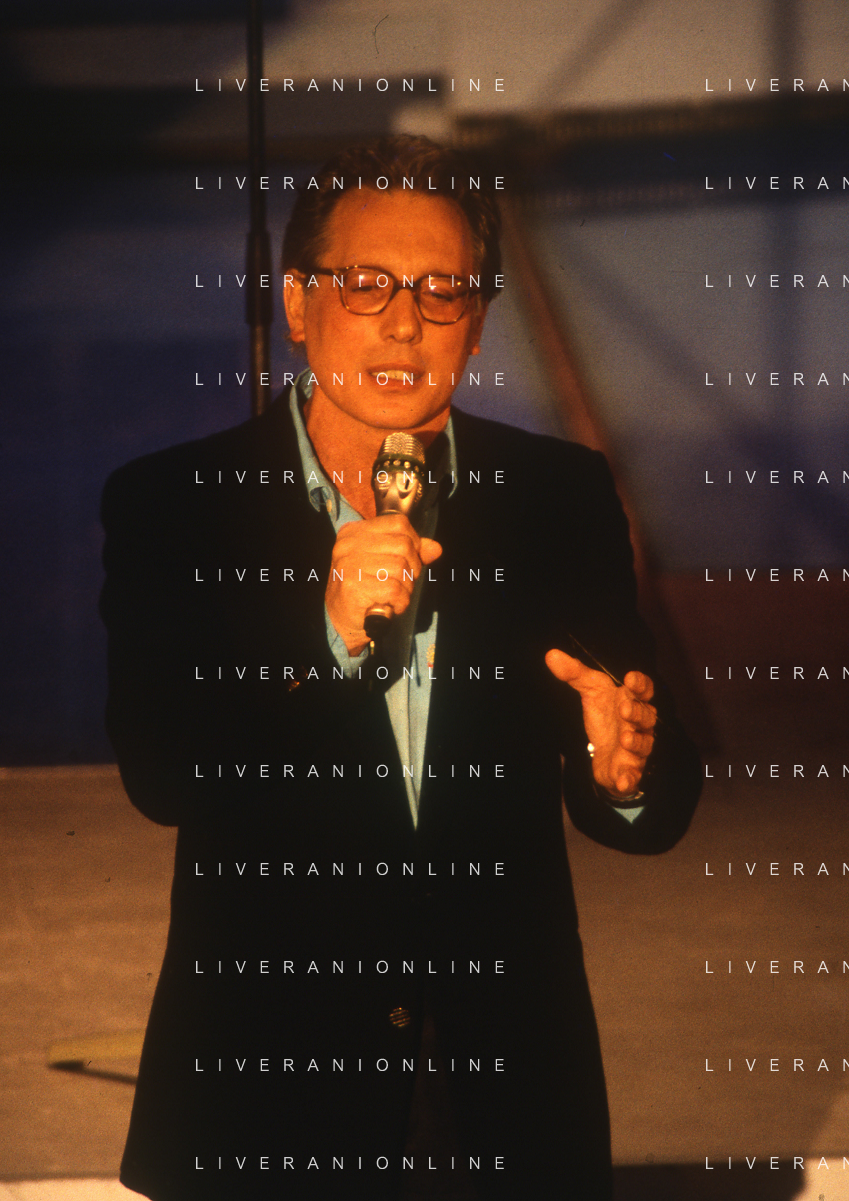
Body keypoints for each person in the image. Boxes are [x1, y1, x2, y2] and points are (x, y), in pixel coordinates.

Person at [101, 135, 701, 1201]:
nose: (403, 321)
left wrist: (624, 769)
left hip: (502, 1101)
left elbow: (643, 793)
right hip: (266, 1097)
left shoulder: (557, 495)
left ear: (478, 317)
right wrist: (324, 634)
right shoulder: (173, 504)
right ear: (298, 303)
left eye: (441, 290)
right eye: (367, 283)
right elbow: (165, 775)